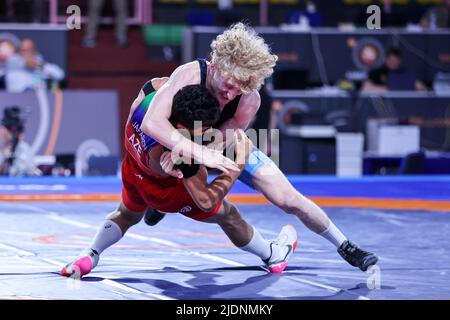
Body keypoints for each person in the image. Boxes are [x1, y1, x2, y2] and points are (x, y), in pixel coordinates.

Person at [140, 23, 378, 272]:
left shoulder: (249, 98)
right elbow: (151, 122)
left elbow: (224, 138)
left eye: (239, 89)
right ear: (215, 65)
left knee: (289, 199)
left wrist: (195, 154)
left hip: (219, 141)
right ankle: (162, 200)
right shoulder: (190, 74)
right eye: (229, 85)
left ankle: (346, 246)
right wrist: (187, 153)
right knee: (165, 163)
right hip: (179, 135)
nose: (231, 95)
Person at [60, 82, 298, 278]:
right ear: (186, 127)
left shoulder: (150, 99)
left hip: (132, 171)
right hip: (170, 192)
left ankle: (89, 254)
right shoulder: (182, 154)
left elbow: (151, 94)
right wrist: (236, 164)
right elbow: (206, 200)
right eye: (204, 128)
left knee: (126, 214)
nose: (207, 131)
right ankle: (272, 254)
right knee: (228, 215)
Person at [362, 47, 427, 92]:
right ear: (385, 59)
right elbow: (366, 88)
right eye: (391, 59)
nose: (393, 62)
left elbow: (421, 88)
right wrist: (386, 90)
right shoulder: (376, 73)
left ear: (399, 61)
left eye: (396, 60)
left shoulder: (405, 74)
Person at [0, 106, 36, 176]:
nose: (2, 132)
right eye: (8, 128)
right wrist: (4, 158)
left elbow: (29, 170)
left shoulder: (24, 148)